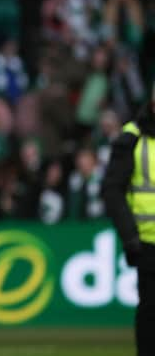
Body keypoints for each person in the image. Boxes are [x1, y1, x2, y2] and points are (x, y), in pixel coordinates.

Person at [102, 90, 155, 356]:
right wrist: (129, 236)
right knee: (151, 314)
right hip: (147, 244)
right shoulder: (131, 137)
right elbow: (112, 190)